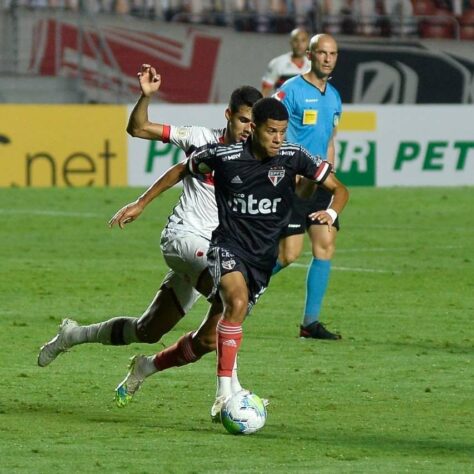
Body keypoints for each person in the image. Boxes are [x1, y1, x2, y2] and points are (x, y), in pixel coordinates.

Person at [37, 64, 262, 400]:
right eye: (243, 120)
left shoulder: (256, 159)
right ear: (229, 115)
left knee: (148, 329)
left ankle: (73, 335)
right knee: (233, 300)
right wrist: (146, 96)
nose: (248, 129)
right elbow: (139, 128)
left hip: (214, 252)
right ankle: (229, 395)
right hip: (184, 240)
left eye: (254, 124)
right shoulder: (200, 138)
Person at [116, 97, 349, 420]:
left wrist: (329, 209)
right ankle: (226, 395)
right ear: (253, 128)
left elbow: (339, 188)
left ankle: (148, 365)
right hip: (225, 246)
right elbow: (180, 170)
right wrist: (141, 203)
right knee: (235, 303)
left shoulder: (292, 157)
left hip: (260, 258)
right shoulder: (223, 156)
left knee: (209, 338)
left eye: (282, 132)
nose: (278, 138)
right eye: (272, 131)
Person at [272, 33, 343, 340]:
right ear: (311, 56)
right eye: (323, 53)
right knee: (288, 255)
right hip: (294, 182)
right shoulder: (291, 91)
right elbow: (270, 129)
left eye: (333, 54)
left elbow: (329, 138)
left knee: (325, 245)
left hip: (320, 180)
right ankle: (239, 287)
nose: (328, 58)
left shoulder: (335, 96)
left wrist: (331, 170)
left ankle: (310, 323)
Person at [261, 27, 310, 97]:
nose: (299, 44)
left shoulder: (312, 64)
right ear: (291, 42)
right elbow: (265, 91)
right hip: (282, 106)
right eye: (296, 40)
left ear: (308, 43)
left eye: (303, 40)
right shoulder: (277, 63)